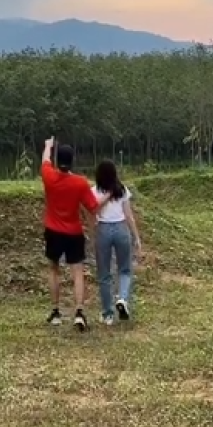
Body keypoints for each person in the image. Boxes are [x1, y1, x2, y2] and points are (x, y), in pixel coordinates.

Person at [40, 136, 100, 331]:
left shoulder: (49, 176)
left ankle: (56, 312)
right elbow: (93, 206)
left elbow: (45, 160)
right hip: (74, 232)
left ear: (58, 161)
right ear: (73, 161)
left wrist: (48, 146)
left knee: (53, 269)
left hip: (53, 231)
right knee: (77, 272)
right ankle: (79, 313)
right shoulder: (80, 182)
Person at [92, 159, 142, 325]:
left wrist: (93, 235)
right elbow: (129, 216)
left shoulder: (94, 191)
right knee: (125, 269)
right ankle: (123, 299)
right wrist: (136, 237)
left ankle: (108, 314)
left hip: (103, 229)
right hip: (121, 228)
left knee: (104, 273)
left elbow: (93, 210)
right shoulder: (122, 190)